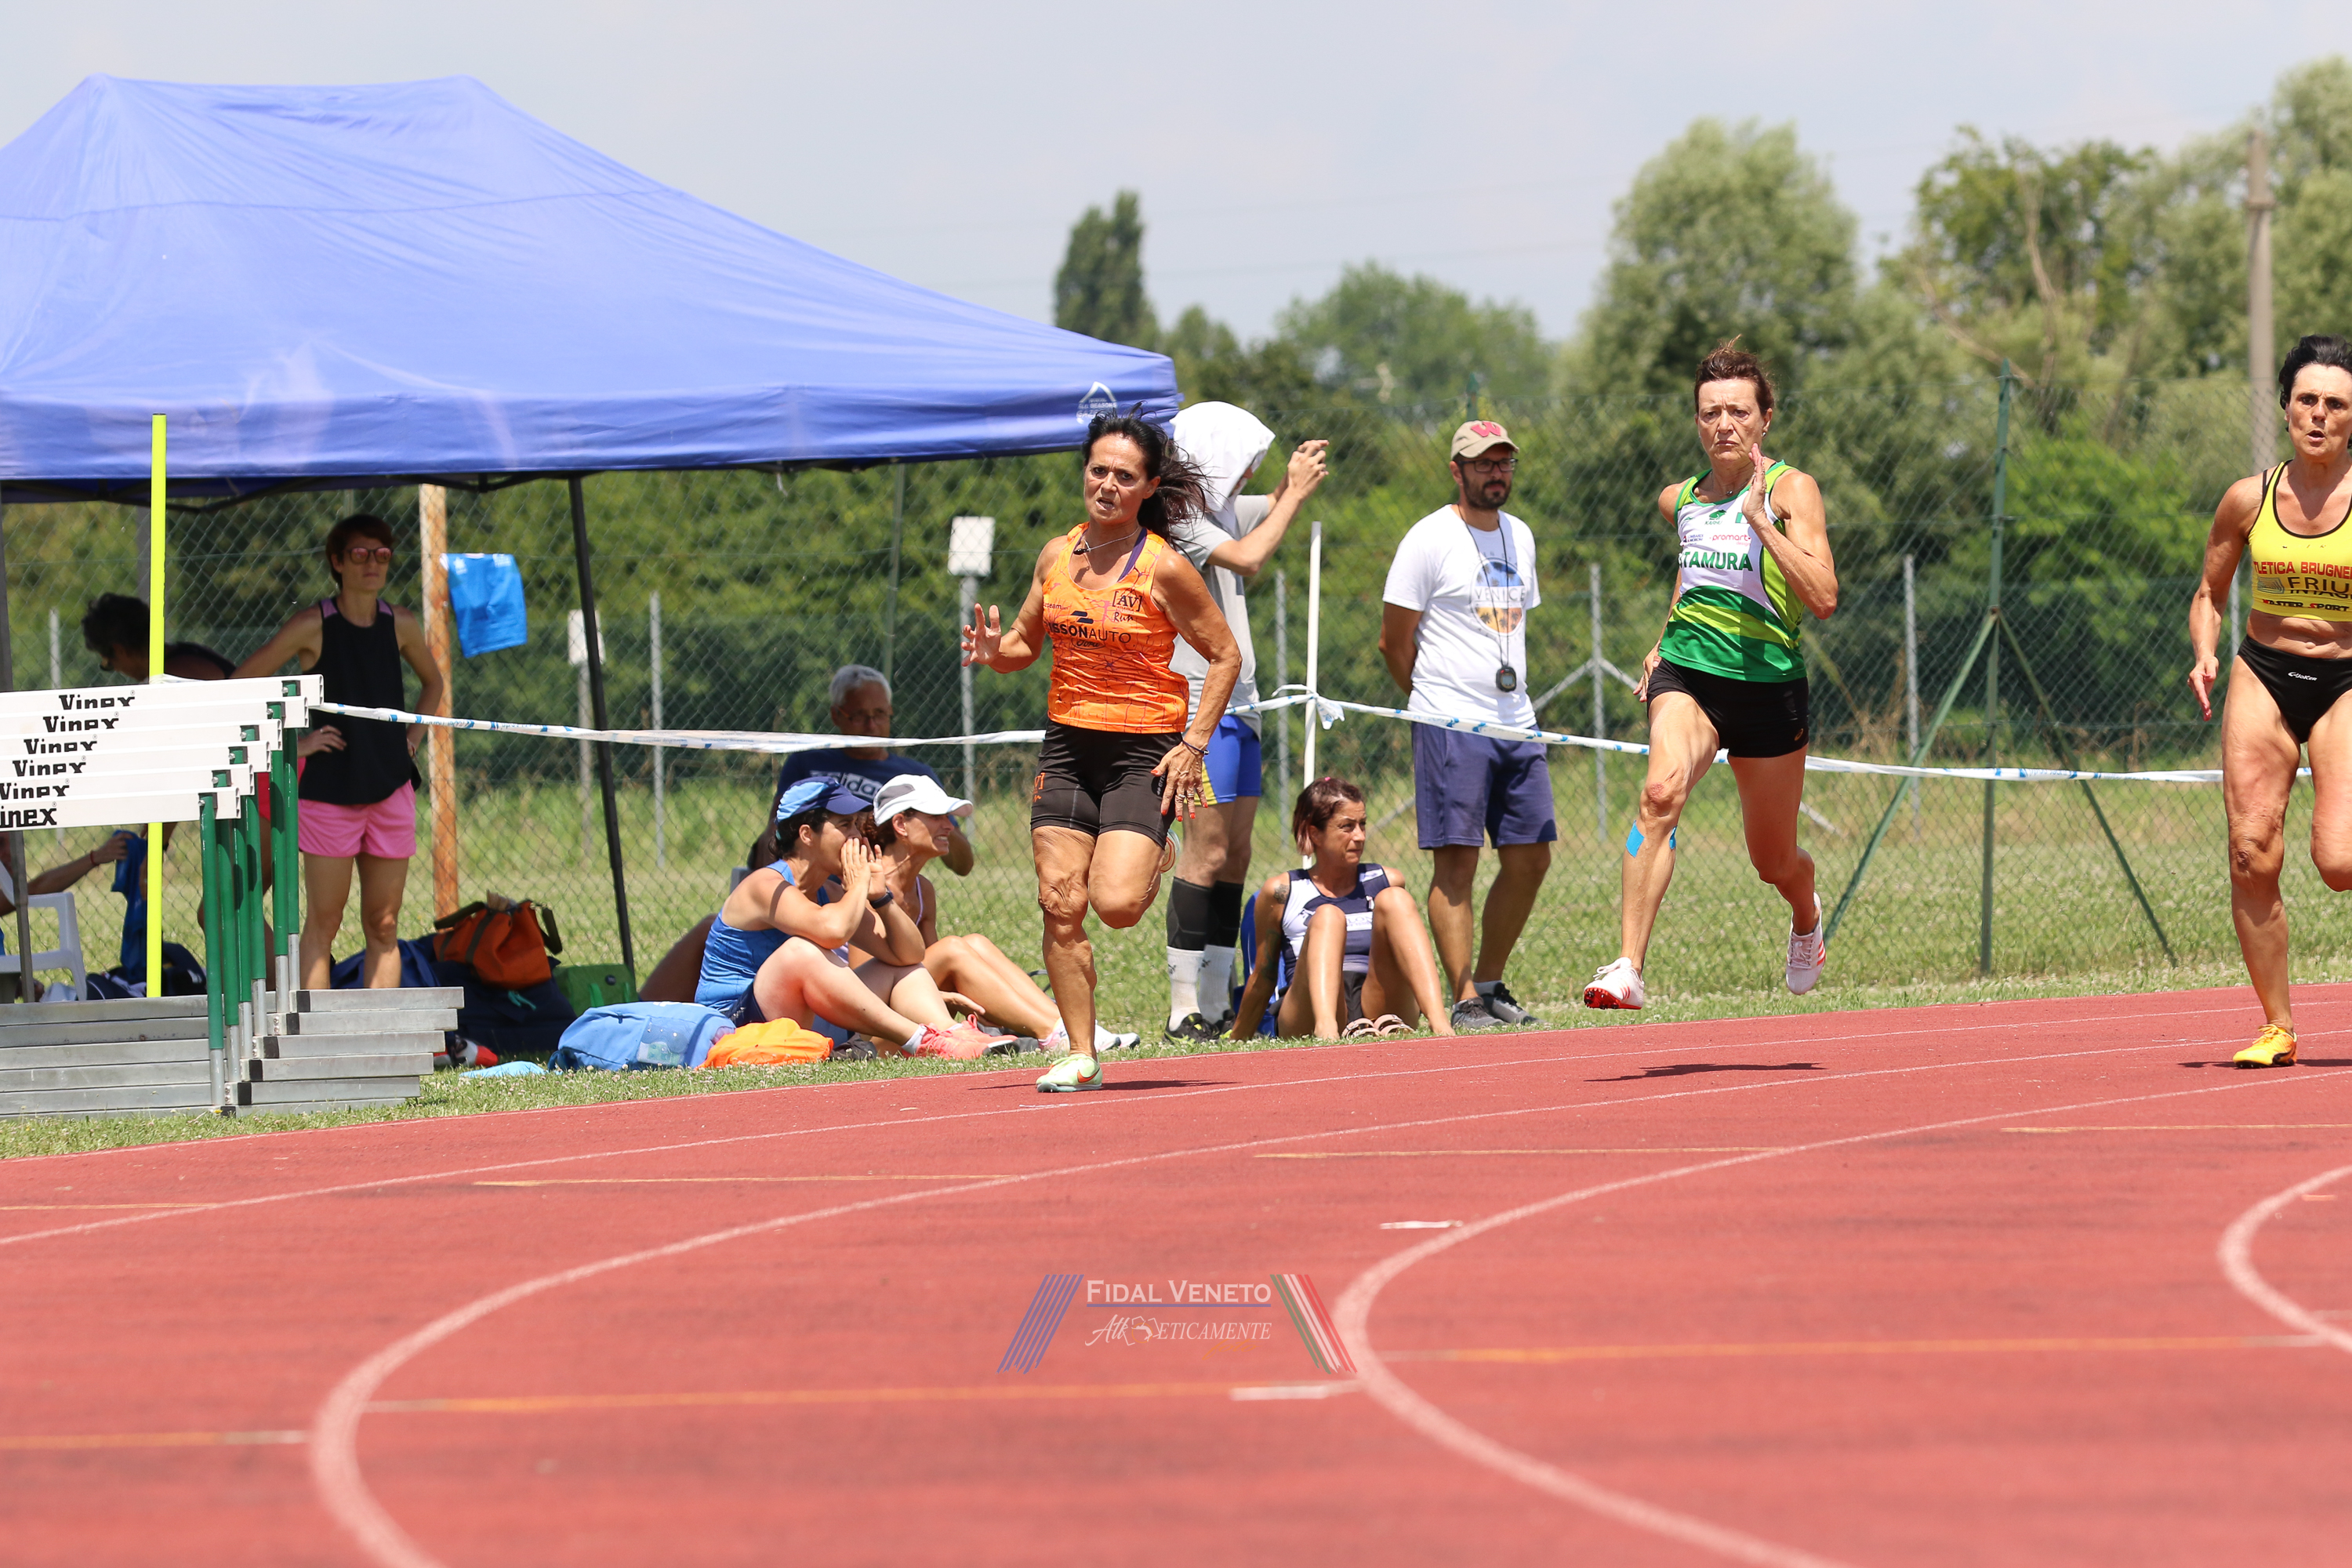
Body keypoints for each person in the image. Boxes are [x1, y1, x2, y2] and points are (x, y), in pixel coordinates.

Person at [963, 412, 1241, 1092]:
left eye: (1124, 475)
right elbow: (1025, 644)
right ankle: (1082, 1052)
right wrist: (997, 654)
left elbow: (1225, 654)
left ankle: (1155, 850)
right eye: (1098, 471)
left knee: (1114, 905)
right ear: (1084, 474)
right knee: (1060, 901)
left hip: (1143, 750)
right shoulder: (1056, 556)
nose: (1108, 484)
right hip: (1068, 745)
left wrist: (1194, 744)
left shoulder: (1164, 566)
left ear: (1147, 487)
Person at [1584, 342, 1838, 1011]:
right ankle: (1628, 967)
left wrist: (1761, 523)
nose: (1724, 424)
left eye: (1738, 411)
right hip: (1690, 675)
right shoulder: (1680, 500)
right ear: (1697, 421)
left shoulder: (1792, 490)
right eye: (1710, 413)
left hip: (1769, 692)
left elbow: (1823, 597)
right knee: (1659, 795)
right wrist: (1663, 637)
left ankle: (1806, 913)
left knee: (1772, 862)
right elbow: (1694, 567)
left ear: (1766, 418)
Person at [2189, 333, 2352, 1068]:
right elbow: (2209, 593)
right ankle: (2278, 1028)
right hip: (2264, 673)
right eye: (2307, 399)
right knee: (2250, 851)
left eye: (2336, 404)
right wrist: (2204, 652)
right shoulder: (2247, 499)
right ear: (2286, 406)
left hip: (2346, 680)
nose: (2319, 415)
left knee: (2339, 861)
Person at [1378, 419, 1555, 1033]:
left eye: (1503, 462)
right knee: (1457, 865)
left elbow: (1512, 626)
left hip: (1518, 721)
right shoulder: (1428, 538)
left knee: (1532, 858)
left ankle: (1489, 982)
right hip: (1450, 720)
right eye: (1483, 463)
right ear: (1457, 471)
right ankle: (1462, 999)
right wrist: (1433, 704)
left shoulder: (1521, 535)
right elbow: (1394, 641)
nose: (1496, 473)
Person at [1160, 403, 1330, 1041]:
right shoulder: (1180, 517)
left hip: (1244, 704)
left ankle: (1215, 998)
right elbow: (1251, 557)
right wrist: (1294, 495)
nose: (1251, 475)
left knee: (1235, 854)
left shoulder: (1220, 509)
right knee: (1204, 853)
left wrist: (1295, 477)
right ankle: (1183, 1006)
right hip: (1200, 704)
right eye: (1245, 461)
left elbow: (1273, 505)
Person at [233, 514, 444, 989]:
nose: (373, 564)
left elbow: (433, 683)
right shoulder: (313, 624)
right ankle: (318, 1033)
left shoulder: (401, 623)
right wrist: (292, 744)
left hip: (390, 787)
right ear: (338, 562)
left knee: (384, 925)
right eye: (360, 554)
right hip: (329, 793)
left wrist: (412, 737)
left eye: (382, 555)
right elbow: (240, 684)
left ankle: (379, 1033)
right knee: (324, 924)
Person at [695, 779, 1008, 1058]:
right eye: (845, 826)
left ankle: (950, 1035)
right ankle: (922, 1040)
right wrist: (858, 885)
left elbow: (910, 955)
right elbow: (831, 932)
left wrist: (881, 898)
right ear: (806, 834)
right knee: (801, 952)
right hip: (733, 1029)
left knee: (901, 970)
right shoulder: (765, 885)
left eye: (857, 825)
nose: (857, 836)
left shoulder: (829, 892)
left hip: (797, 1023)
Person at [870, 773, 1138, 1051]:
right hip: (876, 1030)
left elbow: (926, 969)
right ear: (900, 824)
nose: (949, 826)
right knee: (951, 949)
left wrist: (955, 994)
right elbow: (867, 988)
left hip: (917, 1011)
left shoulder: (922, 889)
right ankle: (1053, 1033)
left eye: (947, 817)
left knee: (974, 943)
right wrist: (948, 997)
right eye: (936, 816)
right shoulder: (869, 887)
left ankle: (1067, 1027)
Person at [1229, 777, 1454, 1042]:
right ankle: (1327, 1035)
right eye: (1347, 827)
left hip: (1376, 1003)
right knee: (1327, 916)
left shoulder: (1386, 881)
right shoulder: (1282, 891)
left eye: (1362, 824)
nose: (1360, 836)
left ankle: (1441, 1027)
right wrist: (1237, 1041)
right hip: (1307, 1009)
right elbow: (1264, 976)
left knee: (1397, 899)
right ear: (1315, 833)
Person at [771, 666, 974, 876]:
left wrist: (927, 818)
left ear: (890, 711)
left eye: (880, 714)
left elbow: (963, 865)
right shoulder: (807, 763)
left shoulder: (916, 777)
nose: (871, 725)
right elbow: (774, 833)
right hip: (813, 883)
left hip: (879, 884)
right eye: (859, 715)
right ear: (836, 715)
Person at [79, 593, 238, 682]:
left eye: (109, 664)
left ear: (120, 651)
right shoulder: (189, 653)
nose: (117, 670)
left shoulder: (171, 679)